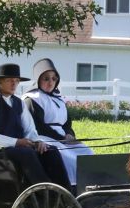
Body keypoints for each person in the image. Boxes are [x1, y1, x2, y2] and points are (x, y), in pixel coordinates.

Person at [0, 63, 71, 190]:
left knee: (50, 151)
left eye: (16, 81)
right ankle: (45, 192)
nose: (14, 84)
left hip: (18, 148)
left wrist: (37, 141)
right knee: (26, 153)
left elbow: (29, 129)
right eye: (9, 80)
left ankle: (66, 192)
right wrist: (17, 142)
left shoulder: (19, 103)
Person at [22, 58, 94, 190]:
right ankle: (72, 190)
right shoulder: (32, 99)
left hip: (62, 138)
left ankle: (89, 186)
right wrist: (60, 138)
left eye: (54, 79)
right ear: (38, 79)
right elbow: (38, 127)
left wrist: (69, 134)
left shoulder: (58, 99)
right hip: (43, 138)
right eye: (46, 79)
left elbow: (67, 123)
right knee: (68, 158)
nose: (51, 82)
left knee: (87, 152)